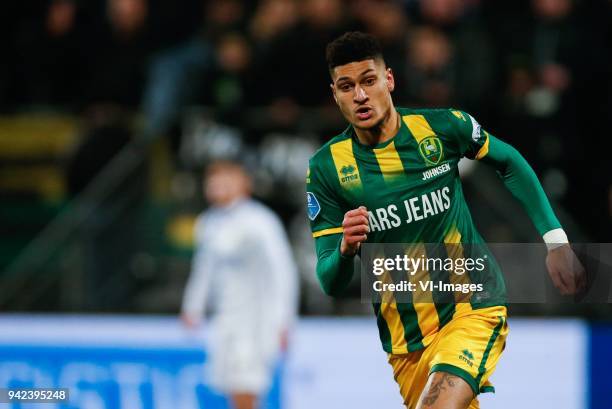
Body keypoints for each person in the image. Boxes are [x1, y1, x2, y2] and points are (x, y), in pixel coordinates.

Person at [306, 31, 585, 409]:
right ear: (335, 93)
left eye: (369, 81)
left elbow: (509, 162)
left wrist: (556, 241)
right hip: (405, 345)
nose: (359, 95)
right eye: (346, 86)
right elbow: (330, 280)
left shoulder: (441, 128)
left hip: (472, 307)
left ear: (388, 80)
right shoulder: (326, 168)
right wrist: (344, 248)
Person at [181, 160, 299, 409]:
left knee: (247, 385)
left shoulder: (261, 221)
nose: (217, 186)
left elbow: (283, 271)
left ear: (244, 183)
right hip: (224, 317)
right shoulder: (208, 222)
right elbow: (204, 268)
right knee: (228, 384)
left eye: (226, 180)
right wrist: (193, 306)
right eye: (213, 181)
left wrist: (284, 319)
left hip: (256, 318)